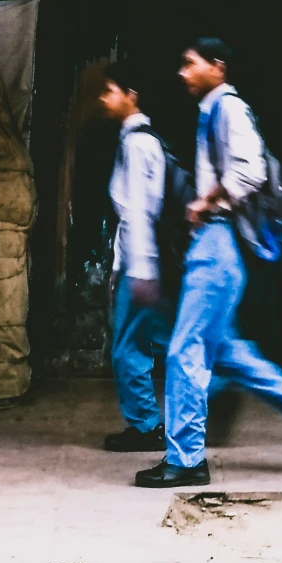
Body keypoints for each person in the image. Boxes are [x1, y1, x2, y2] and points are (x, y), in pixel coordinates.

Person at [134, 37, 282, 488]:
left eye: (191, 64)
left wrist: (205, 203)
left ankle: (186, 459)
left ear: (218, 67)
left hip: (217, 244)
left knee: (185, 349)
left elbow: (249, 171)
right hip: (216, 246)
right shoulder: (213, 111)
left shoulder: (228, 108)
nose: (183, 74)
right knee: (225, 351)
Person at [97, 63, 171, 452]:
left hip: (139, 265)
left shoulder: (138, 144)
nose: (103, 99)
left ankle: (144, 425)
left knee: (128, 347)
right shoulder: (138, 139)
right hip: (141, 262)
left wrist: (139, 270)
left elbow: (140, 211)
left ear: (131, 94)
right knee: (156, 340)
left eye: (110, 91)